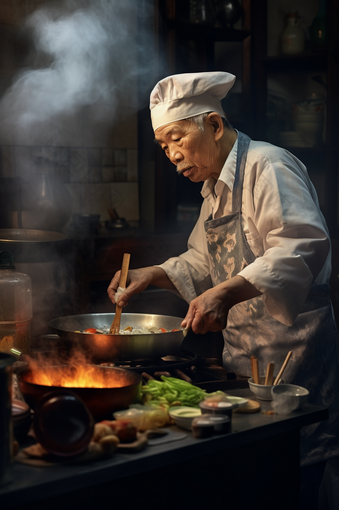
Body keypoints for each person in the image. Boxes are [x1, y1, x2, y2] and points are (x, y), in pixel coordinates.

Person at [108, 71, 339, 509]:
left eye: (177, 138)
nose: (172, 155)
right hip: (243, 358)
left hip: (294, 355)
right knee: (252, 476)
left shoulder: (269, 165)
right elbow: (203, 259)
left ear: (213, 125)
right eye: (164, 146)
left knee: (293, 472)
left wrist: (226, 293)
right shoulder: (213, 188)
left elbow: (300, 244)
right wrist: (152, 273)